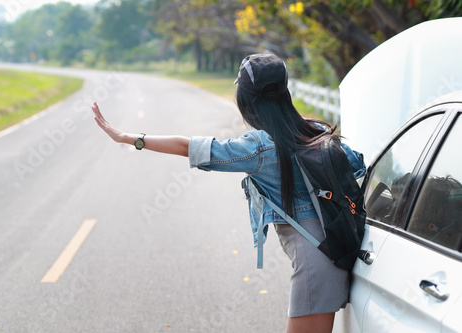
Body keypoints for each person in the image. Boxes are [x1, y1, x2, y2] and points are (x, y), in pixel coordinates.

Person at [91, 53, 365, 333]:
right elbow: (358, 164)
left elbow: (190, 147)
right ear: (284, 93)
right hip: (336, 245)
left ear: (246, 99)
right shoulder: (315, 130)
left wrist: (129, 138)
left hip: (314, 261)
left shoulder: (258, 146)